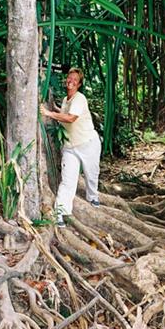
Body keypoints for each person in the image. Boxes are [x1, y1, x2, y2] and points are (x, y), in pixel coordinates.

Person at [40, 68, 101, 227]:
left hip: (87, 143)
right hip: (70, 146)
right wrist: (54, 109)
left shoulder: (79, 98)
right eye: (69, 78)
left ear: (79, 84)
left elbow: (71, 118)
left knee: (91, 174)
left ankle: (93, 198)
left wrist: (49, 113)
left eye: (75, 80)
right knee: (67, 181)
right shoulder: (67, 100)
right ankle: (60, 213)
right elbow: (65, 112)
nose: (71, 81)